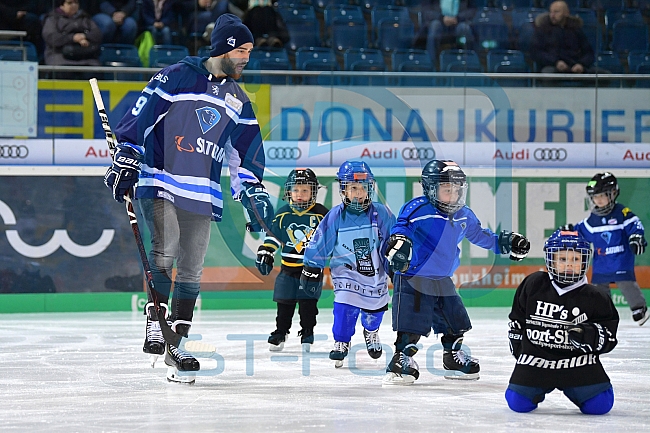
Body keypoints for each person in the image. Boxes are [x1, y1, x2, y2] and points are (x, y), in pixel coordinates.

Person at [104, 13, 273, 383]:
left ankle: (175, 343)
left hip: (201, 190)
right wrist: (128, 155)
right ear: (225, 48)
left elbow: (244, 154)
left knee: (193, 266)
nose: (247, 57)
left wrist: (252, 191)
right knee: (167, 249)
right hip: (161, 179)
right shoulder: (177, 75)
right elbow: (141, 115)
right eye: (242, 50)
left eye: (250, 51)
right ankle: (155, 323)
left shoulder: (239, 100)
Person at [383, 160, 530, 385]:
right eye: (446, 189)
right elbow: (401, 228)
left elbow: (482, 235)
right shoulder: (417, 209)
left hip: (442, 278)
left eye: (456, 189)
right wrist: (399, 242)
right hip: (413, 276)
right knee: (411, 323)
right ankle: (401, 358)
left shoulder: (464, 214)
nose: (453, 195)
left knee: (454, 319)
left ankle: (452, 357)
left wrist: (506, 243)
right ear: (431, 189)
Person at [506, 229, 619, 415]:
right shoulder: (534, 284)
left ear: (584, 261)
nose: (569, 265)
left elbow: (609, 335)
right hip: (536, 360)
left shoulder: (596, 296)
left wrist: (588, 334)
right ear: (552, 261)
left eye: (575, 259)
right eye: (563, 259)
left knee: (600, 405)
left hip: (578, 362)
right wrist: (519, 347)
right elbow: (517, 318)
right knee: (517, 403)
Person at [301, 161, 395, 368]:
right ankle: (341, 341)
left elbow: (392, 242)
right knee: (344, 308)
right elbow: (321, 241)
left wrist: (394, 266)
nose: (359, 193)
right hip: (346, 273)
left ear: (370, 188)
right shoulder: (336, 215)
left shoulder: (381, 214)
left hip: (374, 274)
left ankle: (371, 331)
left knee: (375, 311)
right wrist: (311, 267)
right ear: (344, 189)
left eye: (363, 187)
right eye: (353, 188)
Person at [255, 169, 329, 352]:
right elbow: (274, 236)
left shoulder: (322, 214)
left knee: (308, 303)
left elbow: (331, 238)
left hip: (311, 269)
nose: (300, 195)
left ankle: (307, 331)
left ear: (314, 191)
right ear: (288, 192)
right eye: (296, 190)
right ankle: (281, 331)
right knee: (284, 302)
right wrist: (266, 251)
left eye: (305, 190)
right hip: (287, 268)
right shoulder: (283, 214)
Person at [562, 172, 648, 326]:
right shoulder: (593, 219)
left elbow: (635, 224)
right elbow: (582, 230)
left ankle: (639, 307)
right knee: (599, 290)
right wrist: (570, 231)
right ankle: (603, 312)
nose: (598, 200)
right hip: (601, 263)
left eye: (602, 195)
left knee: (626, 283)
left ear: (613, 193)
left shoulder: (622, 213)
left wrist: (637, 236)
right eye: (595, 196)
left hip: (620, 260)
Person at [531, 1, 601, 75]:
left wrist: (581, 64)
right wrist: (555, 62)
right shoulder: (542, 30)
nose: (552, 15)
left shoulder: (575, 29)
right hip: (552, 66)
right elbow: (536, 52)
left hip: (575, 66)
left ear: (566, 13)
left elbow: (588, 53)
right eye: (551, 12)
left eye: (556, 12)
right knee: (548, 73)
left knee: (603, 75)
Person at [41, 0, 103, 68]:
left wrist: (83, 36)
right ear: (62, 5)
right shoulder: (52, 19)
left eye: (76, 2)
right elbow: (51, 38)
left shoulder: (85, 18)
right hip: (60, 55)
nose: (74, 5)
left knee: (94, 70)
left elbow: (97, 34)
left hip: (86, 56)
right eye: (69, 3)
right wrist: (73, 38)